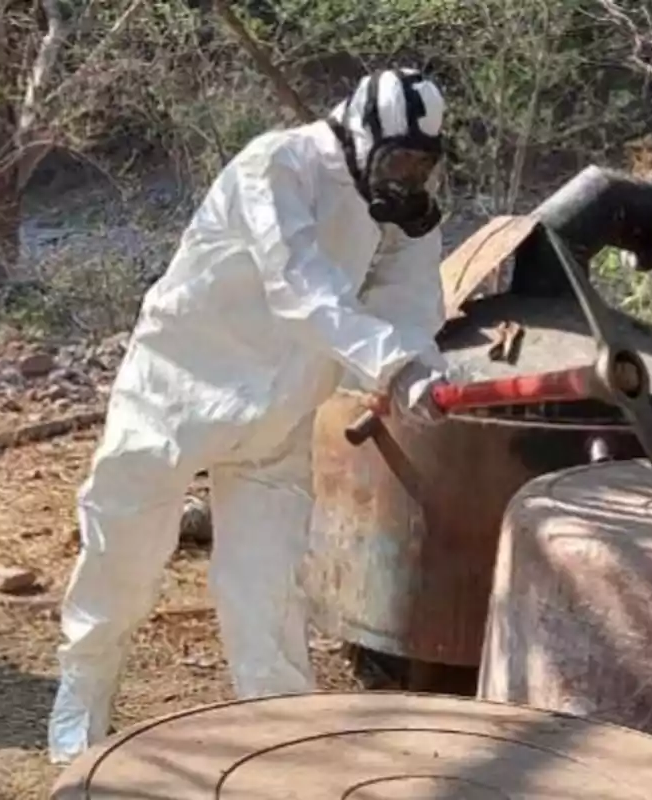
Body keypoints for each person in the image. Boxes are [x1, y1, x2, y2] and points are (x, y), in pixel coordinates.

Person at [47, 68, 451, 763]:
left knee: (267, 594)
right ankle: (84, 695)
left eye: (422, 164)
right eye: (398, 161)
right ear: (358, 136)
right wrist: (393, 362)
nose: (408, 178)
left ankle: (282, 748)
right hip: (180, 384)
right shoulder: (275, 165)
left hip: (282, 410)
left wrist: (420, 366)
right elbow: (301, 285)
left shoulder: (402, 212)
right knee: (124, 552)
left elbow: (409, 304)